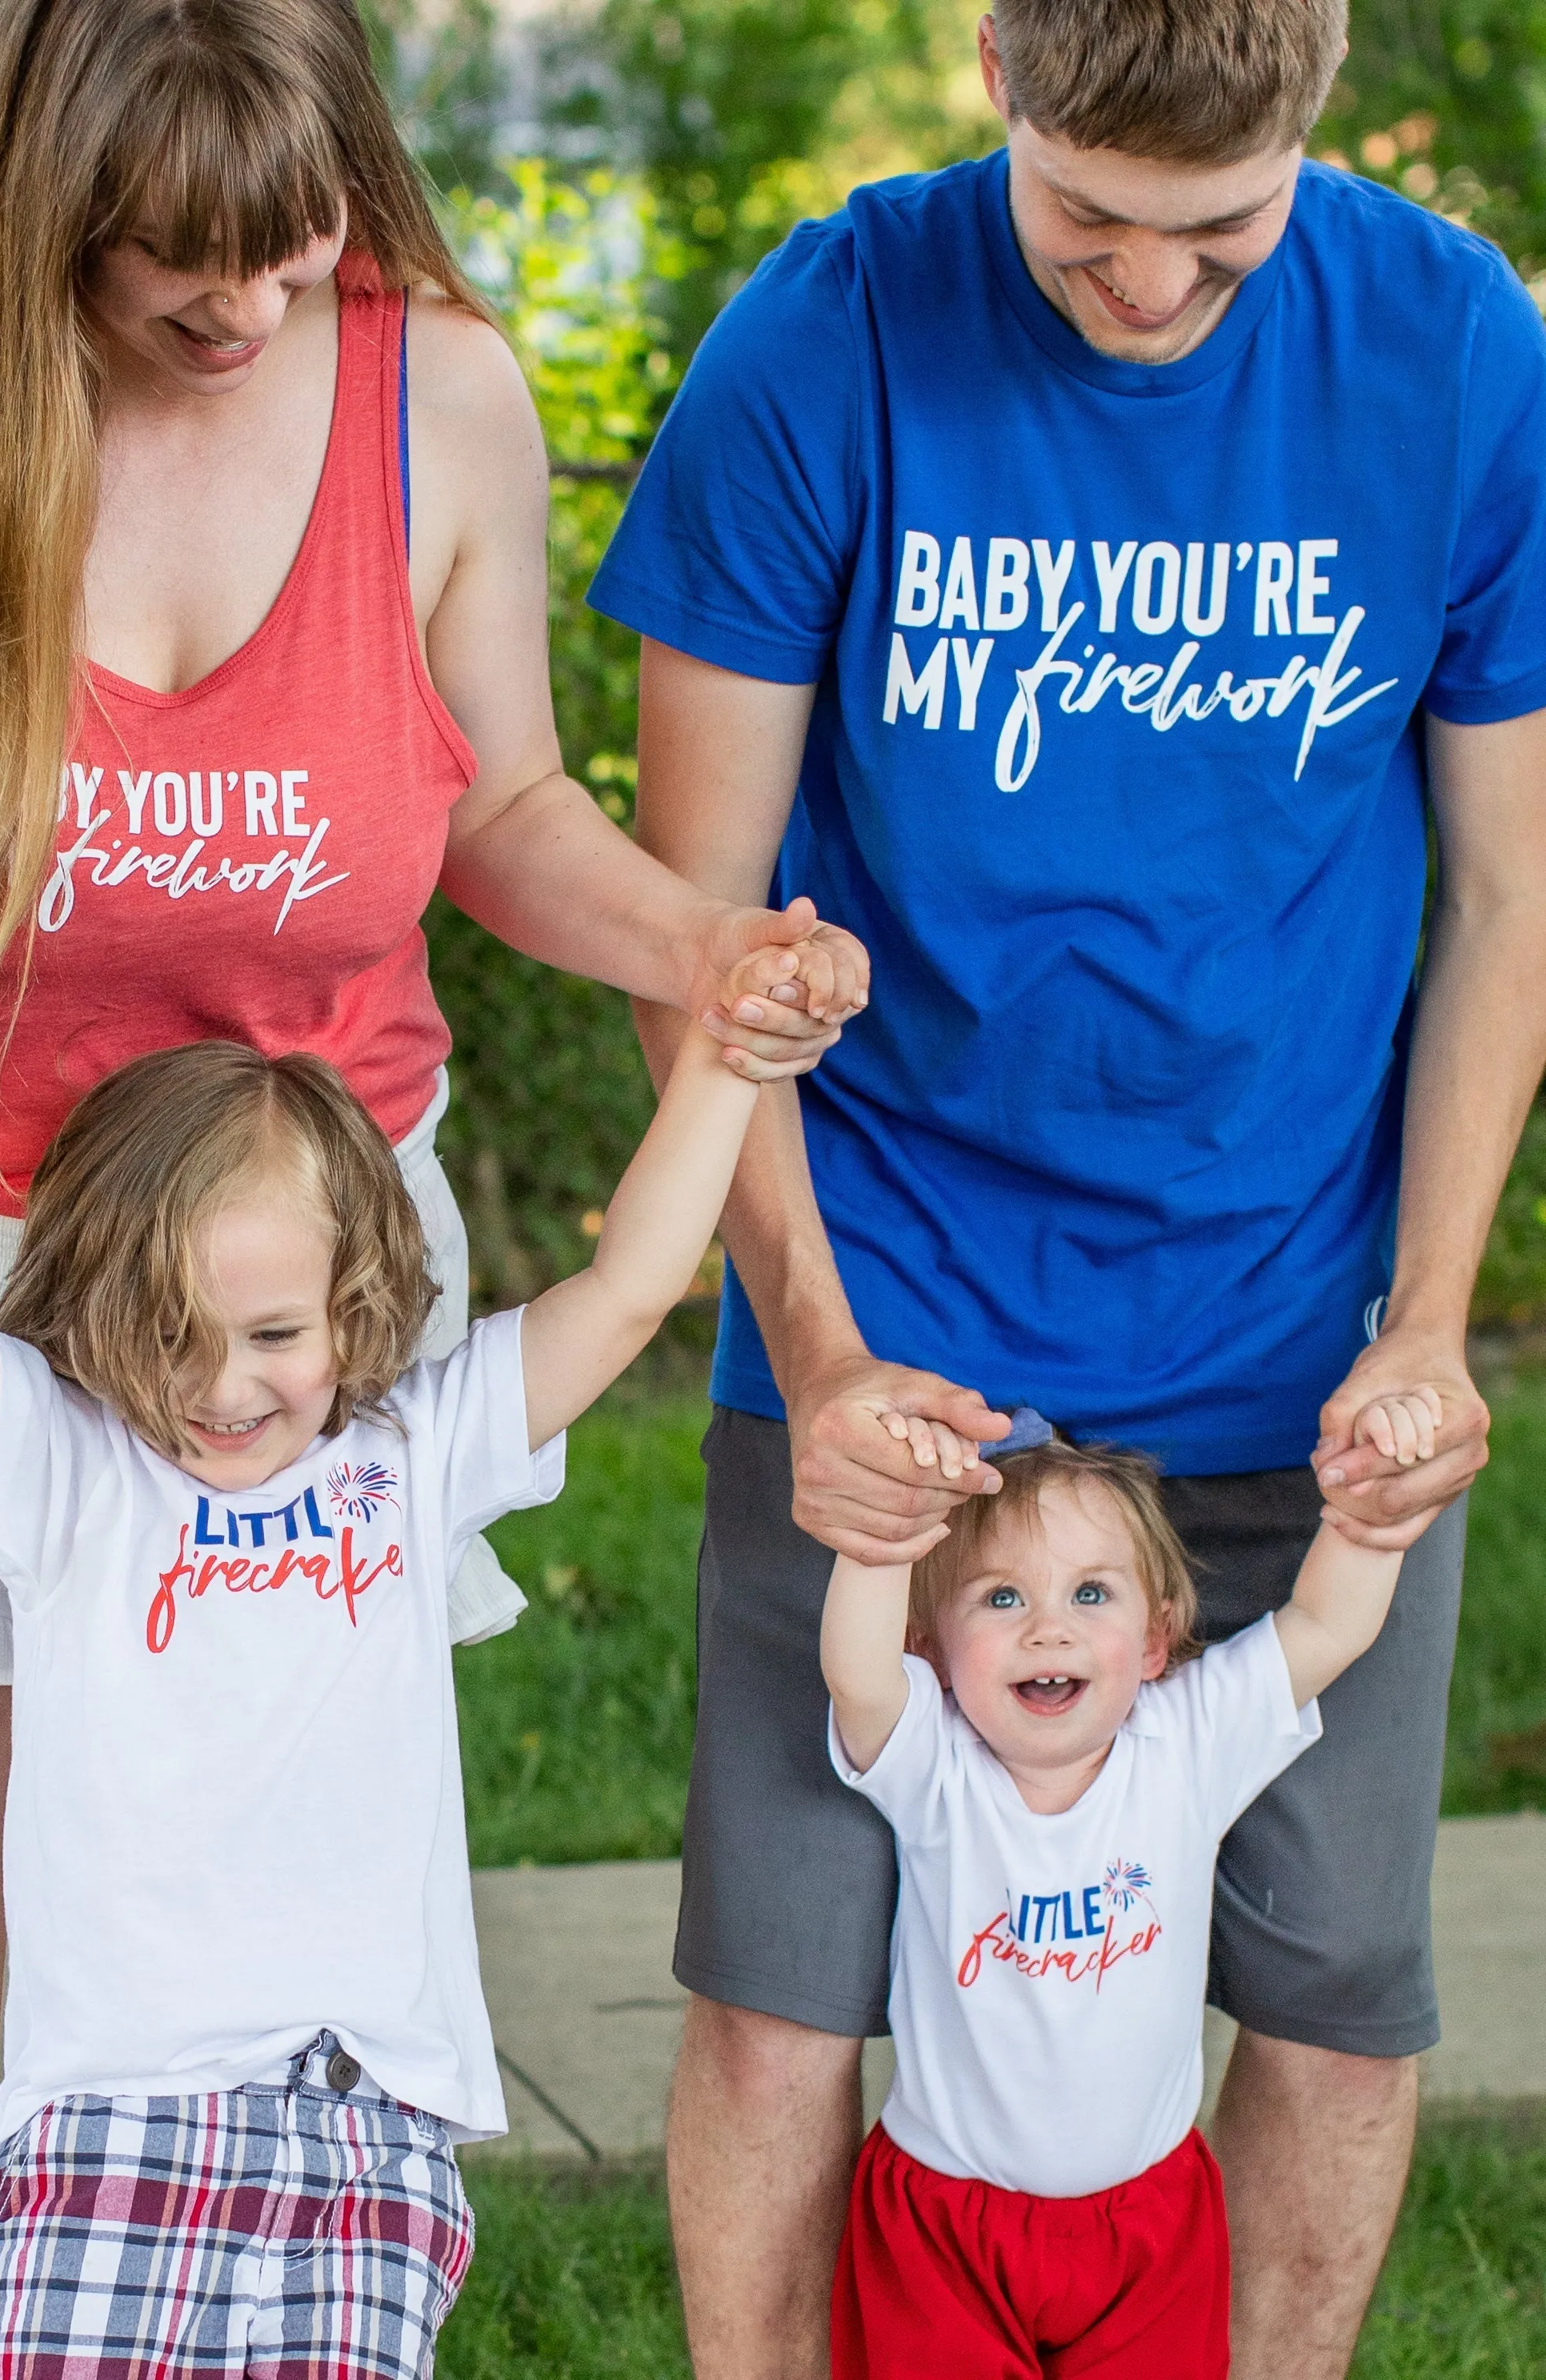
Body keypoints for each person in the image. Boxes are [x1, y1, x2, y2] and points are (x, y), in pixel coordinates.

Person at [0, 2, 864, 2367]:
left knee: (246, 2008)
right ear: (43, 201)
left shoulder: (436, 394)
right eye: (164, 263)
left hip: (296, 1317)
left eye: (290, 236)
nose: (238, 309)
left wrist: (699, 940)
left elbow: (502, 808)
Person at [589, 2, 1546, 2374]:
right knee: (782, 2010)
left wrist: (1422, 1319)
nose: (1139, 290)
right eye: (1085, 217)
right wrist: (810, 1357)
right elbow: (687, 923)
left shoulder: (1446, 349)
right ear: (993, 61)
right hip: (896, 1315)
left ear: (1315, 98)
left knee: (1329, 2000)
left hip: (1282, 1356)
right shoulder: (823, 340)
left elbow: (1505, 899)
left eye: (1213, 241)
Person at [0, 1004, 760, 2370]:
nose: (223, 1382)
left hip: (368, 2116)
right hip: (113, 2117)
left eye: (276, 1330)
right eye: (171, 1330)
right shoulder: (69, 1466)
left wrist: (725, 1061)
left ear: (355, 1303)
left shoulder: (416, 1455)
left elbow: (631, 1287)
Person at [822, 1404, 1436, 2377]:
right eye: (1000, 1599)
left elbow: (1326, 1621)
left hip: (1149, 2225)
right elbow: (856, 1675)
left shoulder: (1185, 1739)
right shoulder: (933, 1764)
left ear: (1155, 1642)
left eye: (1092, 1593)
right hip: (946, 2222)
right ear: (932, 1652)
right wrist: (887, 1524)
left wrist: (1376, 1491)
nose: (1049, 1628)